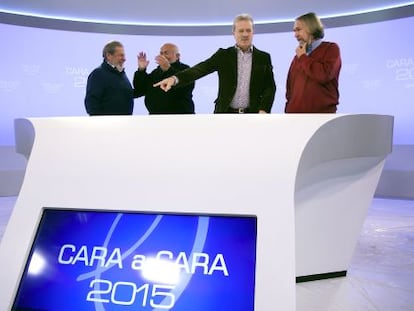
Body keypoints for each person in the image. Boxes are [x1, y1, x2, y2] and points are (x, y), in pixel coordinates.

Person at [154, 14, 276, 114]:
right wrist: (174, 79)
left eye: (248, 30)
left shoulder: (263, 57)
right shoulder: (223, 55)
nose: (245, 34)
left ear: (253, 32)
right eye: (241, 31)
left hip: (253, 115)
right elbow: (200, 69)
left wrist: (264, 109)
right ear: (234, 32)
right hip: (225, 114)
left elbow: (270, 87)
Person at [285, 12, 341, 113]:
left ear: (311, 28)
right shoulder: (297, 57)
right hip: (295, 118)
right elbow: (290, 90)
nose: (295, 35)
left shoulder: (331, 49)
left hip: (321, 117)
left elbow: (324, 75)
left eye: (298, 30)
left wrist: (302, 57)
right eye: (294, 31)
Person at [133, 43, 195, 114]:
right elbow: (140, 90)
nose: (163, 56)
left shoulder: (185, 69)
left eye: (166, 53)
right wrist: (141, 71)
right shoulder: (156, 72)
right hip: (156, 118)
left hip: (180, 117)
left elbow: (186, 88)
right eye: (161, 53)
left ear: (177, 56)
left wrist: (168, 69)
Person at [85, 40, 138, 115]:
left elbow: (128, 94)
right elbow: (91, 104)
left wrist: (141, 71)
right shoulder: (98, 74)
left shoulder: (121, 74)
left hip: (124, 124)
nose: (124, 59)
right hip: (107, 125)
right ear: (109, 56)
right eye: (121, 55)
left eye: (124, 55)